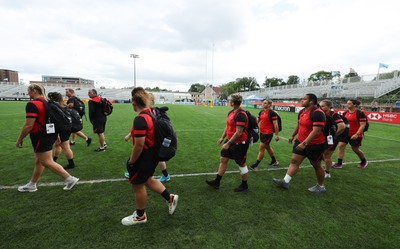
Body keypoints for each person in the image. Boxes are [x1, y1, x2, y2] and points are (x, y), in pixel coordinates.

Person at [121, 87, 178, 225]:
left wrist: (132, 161)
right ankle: (170, 198)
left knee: (138, 185)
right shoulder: (151, 115)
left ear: (135, 104)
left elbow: (139, 145)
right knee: (148, 180)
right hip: (151, 155)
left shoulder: (141, 119)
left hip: (144, 157)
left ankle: (140, 216)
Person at [15, 84, 79, 192]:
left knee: (47, 161)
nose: (27, 93)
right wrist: (57, 135)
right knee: (39, 160)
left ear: (34, 91)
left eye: (29, 91)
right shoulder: (48, 102)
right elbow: (53, 120)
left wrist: (19, 139)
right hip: (50, 134)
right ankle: (32, 184)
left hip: (40, 136)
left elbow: (28, 125)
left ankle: (69, 179)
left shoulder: (33, 104)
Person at [273, 93, 327, 193]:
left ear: (311, 101)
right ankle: (285, 181)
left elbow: (317, 131)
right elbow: (299, 125)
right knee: (294, 161)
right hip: (301, 141)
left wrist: (305, 143)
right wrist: (292, 136)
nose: (301, 100)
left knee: (316, 165)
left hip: (315, 144)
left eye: (304, 99)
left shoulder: (317, 113)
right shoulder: (302, 111)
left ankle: (321, 186)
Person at [123, 93, 172, 182]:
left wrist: (129, 135)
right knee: (157, 157)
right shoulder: (155, 111)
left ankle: (135, 172)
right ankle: (165, 175)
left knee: (140, 153)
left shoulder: (146, 113)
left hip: (150, 141)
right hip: (156, 140)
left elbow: (137, 128)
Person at [206, 94, 250, 192]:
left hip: (239, 143)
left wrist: (228, 144)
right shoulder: (231, 112)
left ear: (233, 102)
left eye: (230, 100)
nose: (228, 101)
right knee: (223, 159)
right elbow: (228, 127)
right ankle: (217, 182)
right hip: (230, 140)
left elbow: (239, 132)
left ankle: (244, 185)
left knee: (241, 163)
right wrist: (222, 137)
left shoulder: (241, 114)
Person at [333, 99, 368, 169]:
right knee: (341, 145)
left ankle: (364, 161)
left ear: (354, 105)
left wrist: (357, 134)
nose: (347, 105)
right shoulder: (345, 113)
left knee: (355, 149)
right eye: (347, 103)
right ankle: (339, 163)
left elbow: (363, 125)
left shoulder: (360, 113)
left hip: (356, 134)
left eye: (349, 103)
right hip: (345, 133)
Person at [48, 92, 76, 169]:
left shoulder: (54, 106)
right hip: (67, 127)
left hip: (61, 129)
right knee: (58, 145)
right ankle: (54, 160)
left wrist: (56, 133)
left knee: (65, 147)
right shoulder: (64, 105)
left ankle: (71, 164)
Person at [249, 99, 280, 170]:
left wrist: (277, 135)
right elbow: (257, 121)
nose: (263, 104)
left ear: (269, 105)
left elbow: (276, 125)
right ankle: (274, 161)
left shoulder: (272, 113)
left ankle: (255, 165)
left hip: (268, 133)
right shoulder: (261, 112)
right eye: (263, 103)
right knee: (267, 147)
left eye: (265, 103)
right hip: (262, 132)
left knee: (261, 148)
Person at [319, 100, 346, 178]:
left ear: (329, 107)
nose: (321, 107)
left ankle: (327, 172)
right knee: (322, 155)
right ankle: (330, 164)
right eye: (320, 106)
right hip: (322, 138)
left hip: (330, 139)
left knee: (326, 155)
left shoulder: (333, 115)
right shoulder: (321, 114)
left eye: (323, 106)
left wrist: (334, 135)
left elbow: (342, 126)